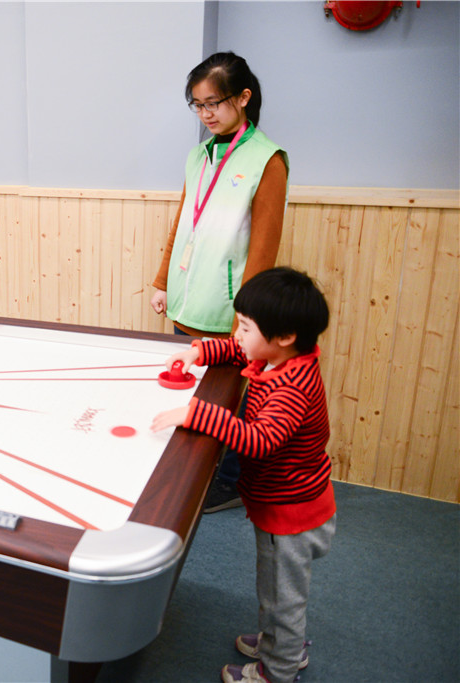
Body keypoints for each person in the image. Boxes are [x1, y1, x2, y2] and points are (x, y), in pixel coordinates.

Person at [150, 267, 335, 683]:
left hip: (292, 515)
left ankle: (279, 668)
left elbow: (259, 440)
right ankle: (278, 645)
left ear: (284, 336)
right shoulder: (280, 358)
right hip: (280, 504)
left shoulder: (293, 388)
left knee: (282, 600)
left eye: (246, 327)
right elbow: (237, 352)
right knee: (274, 591)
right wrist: (199, 352)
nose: (238, 334)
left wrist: (196, 413)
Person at [149, 52, 289, 513]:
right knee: (189, 391)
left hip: (227, 311)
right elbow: (182, 222)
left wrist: (246, 321)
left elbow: (264, 249)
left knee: (228, 403)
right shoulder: (199, 155)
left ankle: (226, 482)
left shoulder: (267, 159)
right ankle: (190, 471)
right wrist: (162, 281)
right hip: (186, 298)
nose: (205, 114)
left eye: (214, 102)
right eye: (198, 105)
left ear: (243, 97)